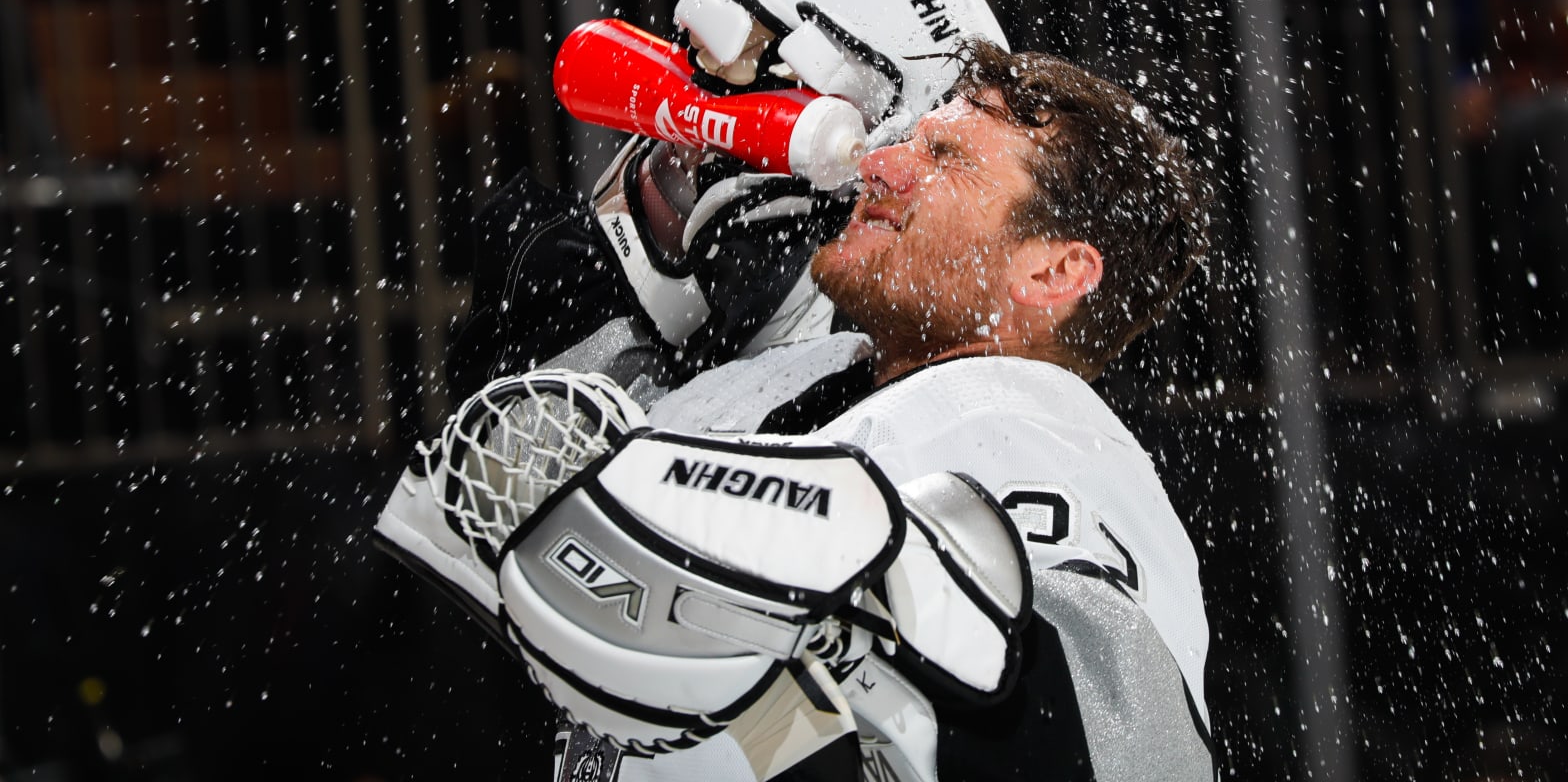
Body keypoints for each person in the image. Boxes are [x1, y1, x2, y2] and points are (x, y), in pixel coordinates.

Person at [378, 39, 1217, 782]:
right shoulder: (813, 374)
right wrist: (643, 233)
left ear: (1052, 274)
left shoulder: (1041, 433)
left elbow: (1118, 741)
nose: (881, 165)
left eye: (947, 156)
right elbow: (515, 485)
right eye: (907, 142)